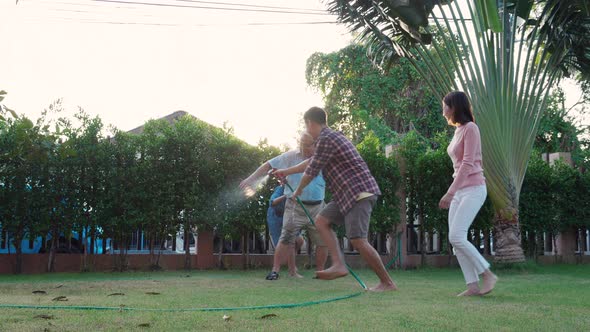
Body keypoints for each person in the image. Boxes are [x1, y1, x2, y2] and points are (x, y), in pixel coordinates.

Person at [275, 107, 397, 292]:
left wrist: (297, 191)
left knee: (358, 240)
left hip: (358, 192)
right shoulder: (329, 138)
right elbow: (311, 162)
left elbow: (312, 170)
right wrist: (286, 171)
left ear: (310, 123)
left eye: (307, 126)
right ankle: (339, 264)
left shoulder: (326, 138)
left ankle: (387, 283)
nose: (307, 130)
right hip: (346, 195)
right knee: (321, 221)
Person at [240, 132, 328, 280]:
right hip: (295, 206)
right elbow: (268, 164)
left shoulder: (321, 157)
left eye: (308, 145)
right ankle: (275, 271)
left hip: (318, 206)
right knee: (285, 238)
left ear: (316, 143)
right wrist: (250, 179)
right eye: (302, 144)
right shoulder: (290, 156)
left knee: (322, 241)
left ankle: (320, 272)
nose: (305, 148)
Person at [438, 91, 497, 296]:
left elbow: (468, 164)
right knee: (455, 240)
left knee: (457, 235)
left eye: (445, 105)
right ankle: (472, 286)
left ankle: (487, 274)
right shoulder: (458, 130)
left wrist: (449, 192)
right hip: (460, 190)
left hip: (473, 188)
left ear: (454, 107)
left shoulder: (471, 128)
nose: (443, 110)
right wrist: (454, 192)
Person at [267, 185, 305, 254]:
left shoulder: (296, 188)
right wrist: (286, 195)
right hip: (276, 217)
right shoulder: (280, 189)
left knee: (299, 240)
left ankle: (290, 258)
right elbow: (272, 202)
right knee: (281, 244)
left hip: (288, 217)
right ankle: (280, 263)